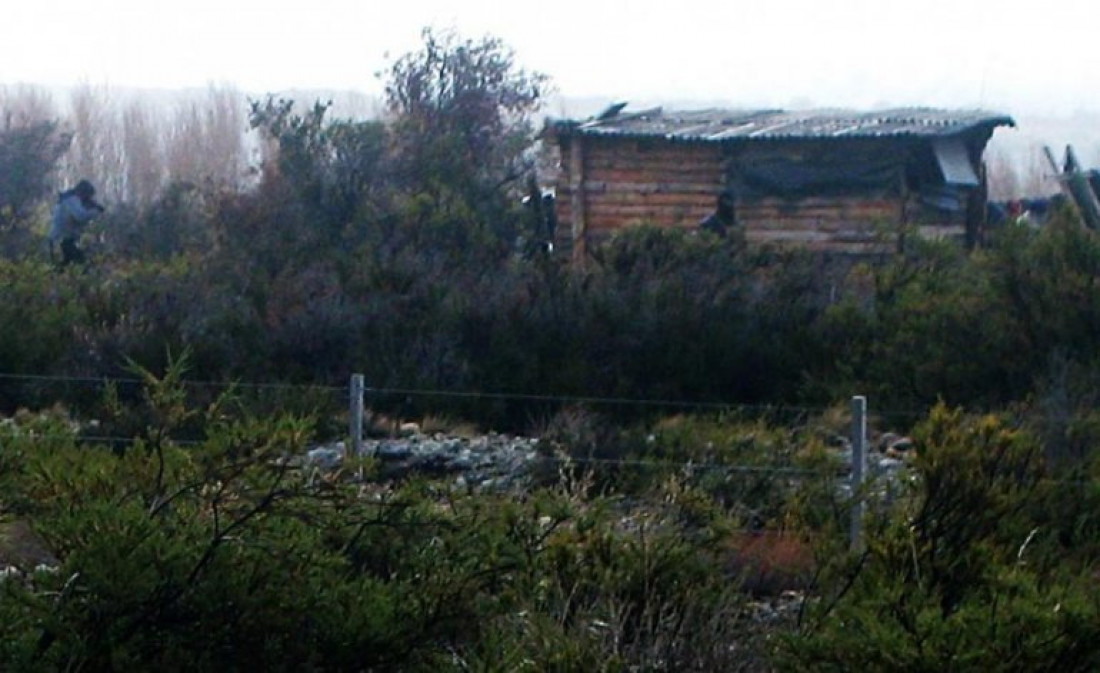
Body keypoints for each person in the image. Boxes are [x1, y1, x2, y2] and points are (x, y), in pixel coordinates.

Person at [49, 180, 105, 266]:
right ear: (82, 193)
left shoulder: (68, 199)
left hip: (63, 240)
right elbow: (80, 216)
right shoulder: (71, 200)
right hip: (60, 240)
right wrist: (95, 211)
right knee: (79, 265)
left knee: (66, 267)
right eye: (88, 196)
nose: (89, 199)